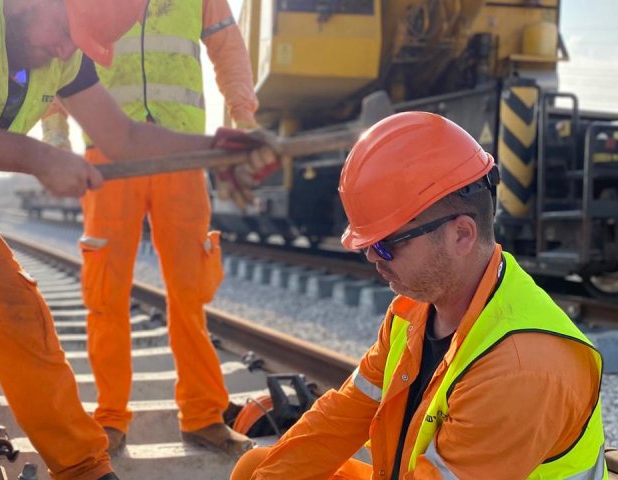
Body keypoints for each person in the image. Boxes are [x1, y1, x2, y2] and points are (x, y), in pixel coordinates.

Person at [0, 0, 275, 479]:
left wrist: (220, 151)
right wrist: (37, 157)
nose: (63, 49)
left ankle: (84, 469)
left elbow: (122, 138)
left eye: (75, 43)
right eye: (63, 30)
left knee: (22, 323)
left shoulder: (63, 49)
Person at [231, 112, 607, 480]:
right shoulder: (412, 311)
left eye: (388, 244)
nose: (373, 258)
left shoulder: (521, 366)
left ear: (462, 234)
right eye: (367, 245)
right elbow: (342, 416)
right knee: (257, 469)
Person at [40, 0, 261, 455]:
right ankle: (110, 419)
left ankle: (203, 415)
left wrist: (243, 115)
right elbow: (56, 52)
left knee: (190, 291)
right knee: (105, 295)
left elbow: (227, 45)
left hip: (181, 153)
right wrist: (56, 138)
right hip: (109, 156)